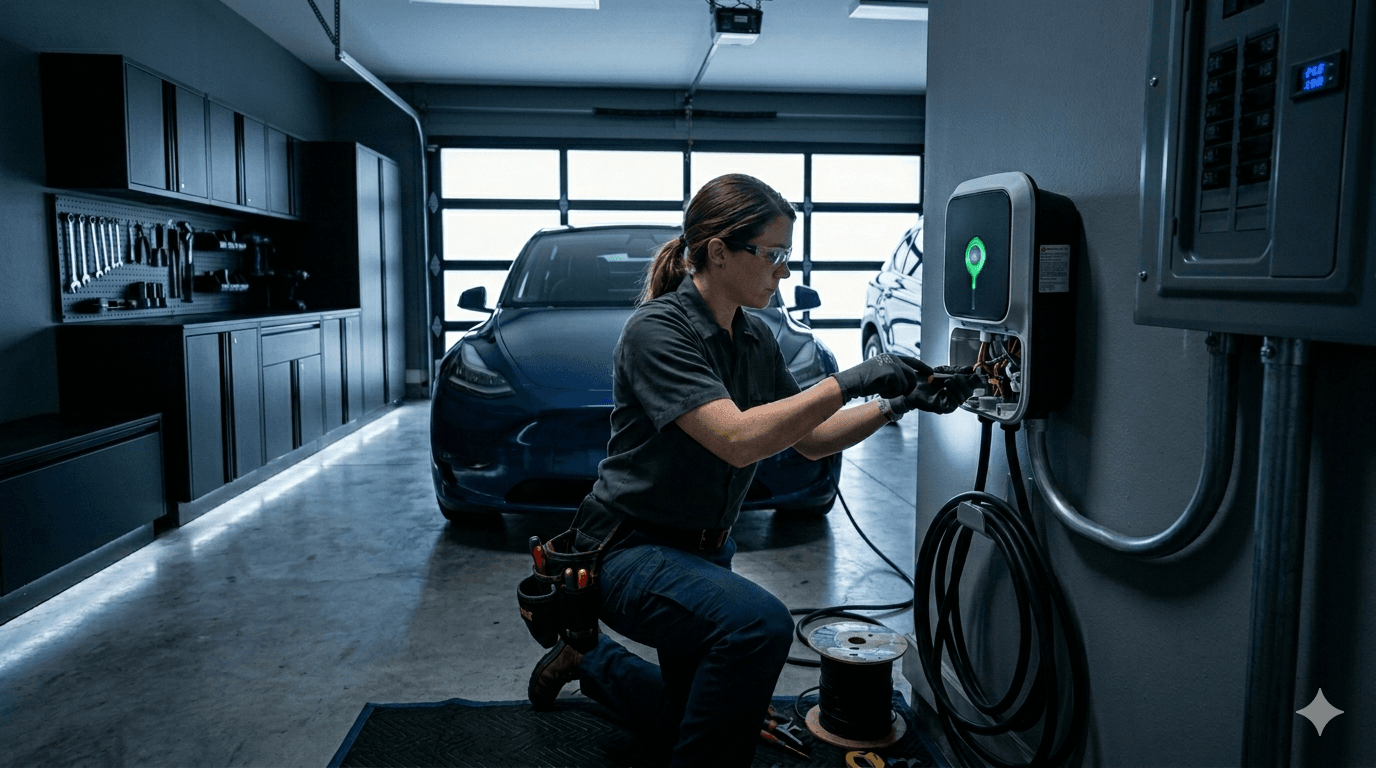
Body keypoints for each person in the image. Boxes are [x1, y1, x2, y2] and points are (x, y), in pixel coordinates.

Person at [527, 173, 978, 766]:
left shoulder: (755, 338)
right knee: (757, 627)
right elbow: (736, 440)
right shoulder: (657, 332)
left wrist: (897, 402)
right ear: (718, 251)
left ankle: (590, 659)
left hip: (702, 552)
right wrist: (854, 378)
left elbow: (813, 441)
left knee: (686, 721)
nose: (784, 270)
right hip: (625, 551)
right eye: (774, 254)